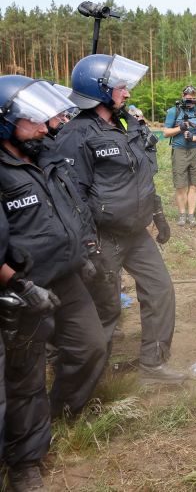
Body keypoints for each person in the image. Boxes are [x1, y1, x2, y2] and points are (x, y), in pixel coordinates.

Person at [58, 54, 187, 384]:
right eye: (120, 88)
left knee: (160, 291)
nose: (127, 93)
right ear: (99, 91)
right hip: (103, 236)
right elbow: (73, 196)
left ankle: (153, 365)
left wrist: (157, 214)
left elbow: (141, 177)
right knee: (105, 310)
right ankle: (89, 383)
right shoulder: (77, 134)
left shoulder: (124, 123)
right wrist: (88, 243)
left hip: (136, 232)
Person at [0, 75, 92, 490]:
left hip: (67, 276)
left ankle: (61, 410)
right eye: (33, 121)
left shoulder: (44, 154)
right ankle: (25, 461)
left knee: (91, 345)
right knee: (26, 377)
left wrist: (82, 254)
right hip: (25, 289)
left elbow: (69, 209)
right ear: (4, 123)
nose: (45, 126)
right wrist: (19, 285)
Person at [163, 85, 196, 226]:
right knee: (180, 185)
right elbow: (165, 133)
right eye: (188, 98)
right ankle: (182, 215)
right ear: (183, 96)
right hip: (179, 150)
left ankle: (191, 215)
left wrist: (193, 138)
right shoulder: (173, 111)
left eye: (193, 98)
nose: (190, 100)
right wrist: (180, 128)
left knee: (195, 185)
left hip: (195, 151)